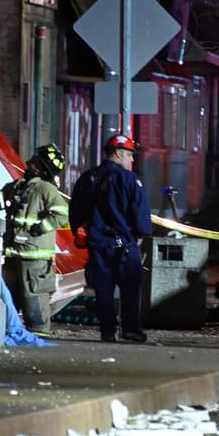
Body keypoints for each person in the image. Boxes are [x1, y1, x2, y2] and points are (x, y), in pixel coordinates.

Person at [69, 134, 153, 343]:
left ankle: (108, 330)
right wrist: (141, 233)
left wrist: (80, 232)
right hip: (125, 243)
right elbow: (139, 211)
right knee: (131, 286)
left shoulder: (87, 178)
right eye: (129, 155)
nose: (131, 160)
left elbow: (75, 212)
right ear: (118, 153)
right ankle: (130, 328)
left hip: (97, 243)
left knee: (103, 288)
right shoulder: (129, 180)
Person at [0, 144, 70, 338]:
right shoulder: (19, 186)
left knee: (34, 297)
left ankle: (39, 334)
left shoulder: (45, 189)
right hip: (14, 254)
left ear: (41, 167)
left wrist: (39, 227)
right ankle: (7, 331)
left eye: (35, 159)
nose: (29, 161)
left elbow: (62, 214)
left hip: (35, 258)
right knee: (8, 296)